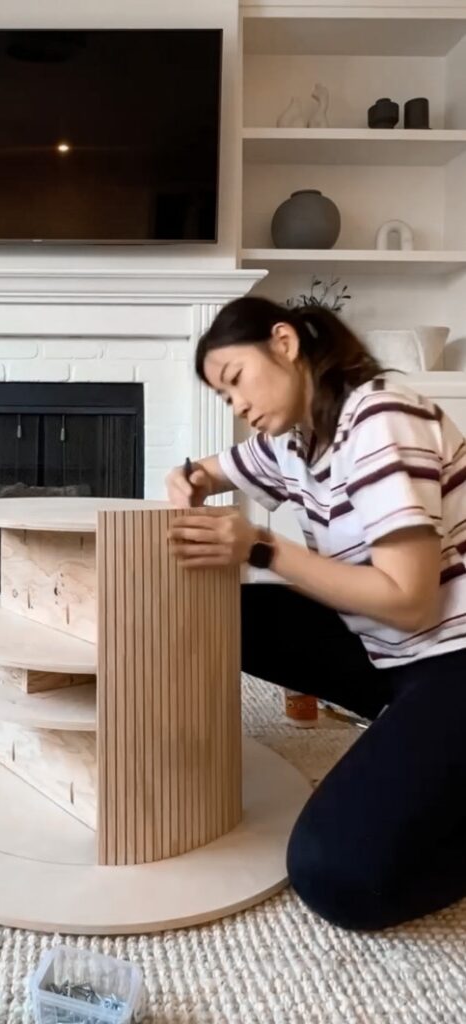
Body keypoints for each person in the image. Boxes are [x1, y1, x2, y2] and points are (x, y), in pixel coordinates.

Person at [165, 295, 466, 931]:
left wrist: (264, 547)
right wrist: (186, 477)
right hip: (391, 656)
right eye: (223, 398)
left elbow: (411, 604)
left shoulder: (381, 417)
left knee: (334, 873)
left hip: (450, 654)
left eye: (236, 380)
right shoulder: (295, 440)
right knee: (231, 615)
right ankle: (415, 738)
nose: (238, 405)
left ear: (284, 342)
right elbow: (212, 470)